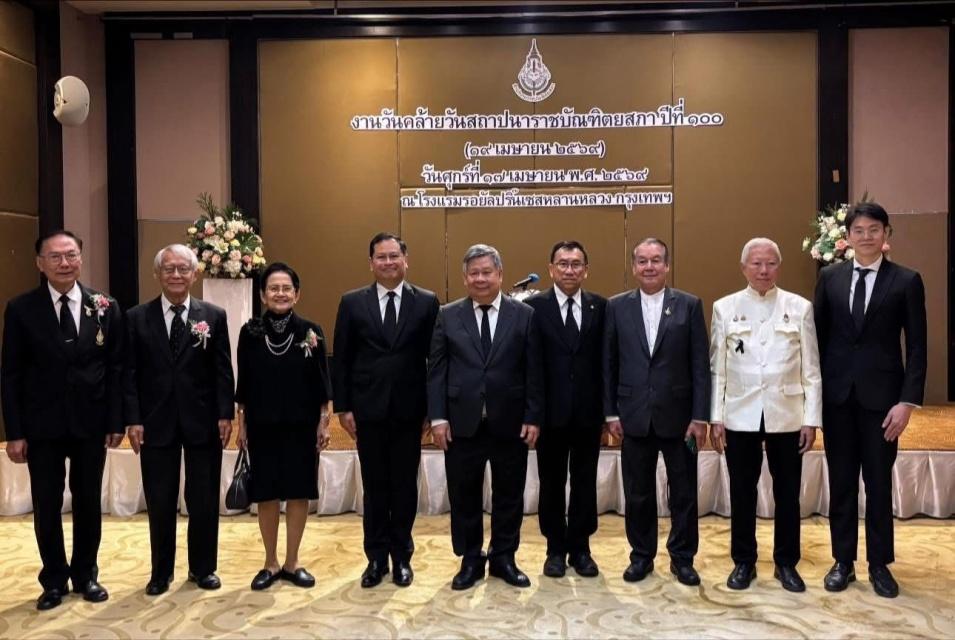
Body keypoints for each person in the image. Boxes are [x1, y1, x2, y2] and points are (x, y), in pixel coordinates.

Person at [1, 230, 124, 610]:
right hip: (42, 427)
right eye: (54, 257)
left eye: (71, 255)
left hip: (91, 424)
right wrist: (15, 432)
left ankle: (86, 574)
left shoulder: (105, 306)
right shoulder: (21, 309)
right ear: (40, 263)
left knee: (88, 501)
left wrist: (115, 421)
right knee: (47, 503)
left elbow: (116, 369)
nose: (64, 263)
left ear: (81, 259)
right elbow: (11, 374)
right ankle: (53, 579)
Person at [814, 202, 927, 598]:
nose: (866, 236)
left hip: (884, 404)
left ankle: (879, 565)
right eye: (859, 230)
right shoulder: (829, 278)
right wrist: (815, 401)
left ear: (886, 234)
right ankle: (842, 561)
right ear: (847, 237)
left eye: (874, 229)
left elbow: (917, 348)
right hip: (838, 399)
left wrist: (907, 402)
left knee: (878, 484)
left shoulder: (906, 281)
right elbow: (817, 342)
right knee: (842, 482)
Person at [427, 244, 544, 590]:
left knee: (510, 493)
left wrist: (533, 416)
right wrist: (438, 418)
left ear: (500, 275)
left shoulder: (524, 315)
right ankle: (470, 559)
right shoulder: (447, 315)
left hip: (510, 421)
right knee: (464, 494)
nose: (480, 278)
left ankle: (504, 557)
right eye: (474, 273)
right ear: (465, 278)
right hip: (461, 424)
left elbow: (534, 371)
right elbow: (436, 370)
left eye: (487, 272)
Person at [709, 238, 821, 592]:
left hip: (786, 413)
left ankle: (786, 563)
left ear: (779, 267)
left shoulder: (799, 307)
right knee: (742, 491)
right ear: (743, 267)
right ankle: (744, 561)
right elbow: (717, 369)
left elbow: (811, 369)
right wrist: (716, 417)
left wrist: (811, 419)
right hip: (739, 413)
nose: (763, 270)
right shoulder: (724, 308)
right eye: (756, 264)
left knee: (787, 493)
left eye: (770, 263)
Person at [123, 244, 235, 595]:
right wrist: (133, 419)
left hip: (203, 420)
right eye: (168, 269)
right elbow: (129, 373)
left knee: (203, 498)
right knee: (160, 499)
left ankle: (203, 568)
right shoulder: (136, 317)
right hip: (154, 421)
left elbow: (222, 370)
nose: (176, 274)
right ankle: (161, 572)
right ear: (157, 274)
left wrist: (225, 413)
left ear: (195, 274)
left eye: (183, 268)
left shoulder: (213, 316)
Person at [332, 233, 439, 588]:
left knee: (405, 487)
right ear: (371, 263)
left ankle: (402, 557)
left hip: (410, 411)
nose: (389, 262)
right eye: (381, 257)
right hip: (368, 411)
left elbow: (435, 360)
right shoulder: (352, 302)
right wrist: (343, 406)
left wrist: (432, 408)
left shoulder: (427, 301)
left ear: (406, 259)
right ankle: (376, 559)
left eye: (395, 256)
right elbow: (342, 359)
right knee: (375, 487)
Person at [603, 238, 709, 586]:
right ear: (634, 267)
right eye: (643, 261)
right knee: (638, 493)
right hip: (633, 417)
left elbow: (699, 365)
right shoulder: (616, 307)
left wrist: (699, 417)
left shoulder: (689, 305)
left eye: (656, 260)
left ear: (667, 265)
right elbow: (608, 364)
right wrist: (611, 413)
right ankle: (641, 556)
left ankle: (682, 558)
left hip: (680, 419)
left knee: (684, 493)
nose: (649, 267)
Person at [236, 262, 332, 591]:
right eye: (273, 288)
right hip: (262, 425)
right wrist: (242, 425)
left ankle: (292, 562)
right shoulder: (250, 332)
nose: (280, 293)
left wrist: (323, 422)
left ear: (297, 294)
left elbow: (322, 384)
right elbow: (244, 384)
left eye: (286, 288)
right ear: (263, 295)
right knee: (266, 493)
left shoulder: (311, 331)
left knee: (298, 491)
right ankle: (270, 562)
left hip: (301, 426)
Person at [526, 240, 606, 578]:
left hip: (589, 414)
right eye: (563, 264)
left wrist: (608, 413)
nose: (569, 270)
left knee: (585, 482)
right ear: (551, 269)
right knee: (552, 482)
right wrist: (532, 414)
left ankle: (581, 549)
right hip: (549, 416)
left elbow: (606, 363)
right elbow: (530, 366)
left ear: (586, 270)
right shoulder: (533, 308)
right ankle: (555, 549)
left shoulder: (601, 307)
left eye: (576, 264)